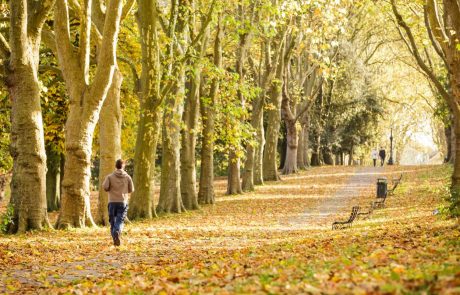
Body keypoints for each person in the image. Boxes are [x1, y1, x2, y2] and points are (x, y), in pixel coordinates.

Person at [102, 159, 134, 246]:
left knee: (112, 221)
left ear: (115, 166)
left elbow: (105, 187)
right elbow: (131, 189)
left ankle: (115, 238)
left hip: (112, 202)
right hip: (123, 202)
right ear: (123, 166)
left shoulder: (109, 177)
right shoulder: (127, 177)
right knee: (120, 220)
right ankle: (117, 233)